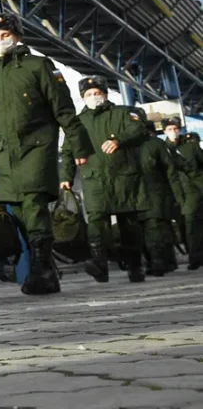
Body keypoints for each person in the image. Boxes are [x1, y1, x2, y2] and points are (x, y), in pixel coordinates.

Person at [0, 13, 93, 295]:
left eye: (6, 35)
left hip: (37, 149)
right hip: (5, 156)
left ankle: (42, 272)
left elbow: (63, 109)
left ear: (17, 36)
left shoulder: (40, 66)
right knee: (19, 214)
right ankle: (46, 265)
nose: (1, 41)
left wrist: (79, 147)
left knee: (34, 207)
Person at [59, 77, 148, 283]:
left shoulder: (123, 113)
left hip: (123, 177)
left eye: (97, 93)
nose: (93, 97)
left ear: (105, 94)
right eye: (88, 94)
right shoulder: (77, 122)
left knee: (129, 225)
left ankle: (135, 266)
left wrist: (118, 140)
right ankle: (99, 265)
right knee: (96, 223)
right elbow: (68, 152)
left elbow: (138, 129)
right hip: (94, 179)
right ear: (82, 98)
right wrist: (66, 177)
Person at [136, 119, 178, 276]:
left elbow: (170, 171)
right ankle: (163, 261)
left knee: (155, 227)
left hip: (156, 193)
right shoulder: (126, 146)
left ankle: (159, 262)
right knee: (149, 229)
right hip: (138, 194)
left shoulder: (156, 144)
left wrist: (175, 195)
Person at [163, 118, 203, 269]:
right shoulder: (162, 149)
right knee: (187, 227)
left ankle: (195, 258)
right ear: (165, 131)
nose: (173, 132)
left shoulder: (191, 147)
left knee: (192, 225)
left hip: (195, 190)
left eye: (175, 129)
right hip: (176, 194)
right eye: (169, 129)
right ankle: (195, 256)